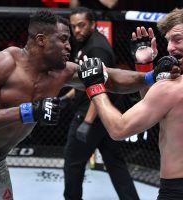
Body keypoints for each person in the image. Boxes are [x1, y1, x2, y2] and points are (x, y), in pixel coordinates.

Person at [0, 9, 180, 199]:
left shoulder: (62, 72)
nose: (69, 46)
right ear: (41, 39)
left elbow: (111, 78)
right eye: (63, 39)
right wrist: (27, 112)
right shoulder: (1, 63)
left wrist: (150, 75)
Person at [78, 4, 183, 200]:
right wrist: (144, 66)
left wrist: (94, 87)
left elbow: (118, 129)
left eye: (177, 39)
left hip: (181, 192)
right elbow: (162, 113)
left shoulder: (171, 88)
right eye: (168, 41)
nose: (170, 48)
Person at [61, 7, 139, 200]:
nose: (77, 30)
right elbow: (85, 80)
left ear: (93, 25)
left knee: (73, 163)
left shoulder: (96, 48)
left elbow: (99, 87)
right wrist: (68, 96)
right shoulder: (83, 43)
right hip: (101, 116)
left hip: (92, 114)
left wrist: (87, 123)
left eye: (81, 25)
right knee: (115, 163)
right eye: (74, 27)